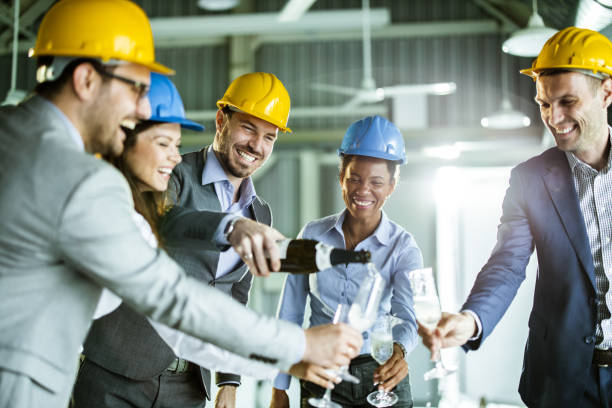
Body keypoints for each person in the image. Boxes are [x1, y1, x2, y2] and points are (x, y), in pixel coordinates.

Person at [0, 1, 362, 407]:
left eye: (270, 136)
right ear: (86, 79)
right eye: (136, 88)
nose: (141, 108)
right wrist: (297, 346)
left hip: (187, 380)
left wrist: (258, 369)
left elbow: (183, 322)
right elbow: (170, 288)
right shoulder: (83, 179)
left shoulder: (12, 134)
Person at [418, 27, 612, 408]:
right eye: (543, 103)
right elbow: (507, 265)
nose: (554, 118)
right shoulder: (529, 180)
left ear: (606, 93)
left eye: (568, 101)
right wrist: (471, 319)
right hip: (564, 381)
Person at [270, 116, 423, 408]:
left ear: (392, 185)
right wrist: (280, 386)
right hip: (320, 372)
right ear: (341, 176)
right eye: (354, 178)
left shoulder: (403, 248)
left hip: (381, 375)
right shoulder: (312, 235)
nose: (363, 190)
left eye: (377, 182)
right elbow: (289, 312)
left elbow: (408, 318)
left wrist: (400, 351)